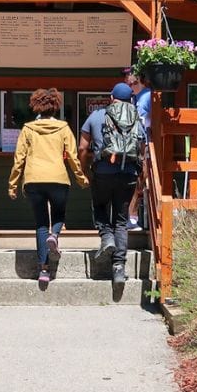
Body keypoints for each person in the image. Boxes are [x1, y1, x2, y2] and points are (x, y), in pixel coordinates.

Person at [7, 88, 88, 288]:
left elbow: (19, 159)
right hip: (58, 178)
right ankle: (55, 236)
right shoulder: (63, 128)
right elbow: (72, 156)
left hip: (33, 179)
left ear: (36, 107)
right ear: (55, 107)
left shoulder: (28, 128)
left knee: (41, 223)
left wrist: (12, 185)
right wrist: (81, 178)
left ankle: (43, 270)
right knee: (59, 216)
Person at [78, 82, 145, 285]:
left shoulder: (97, 116)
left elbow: (82, 148)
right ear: (130, 99)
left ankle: (106, 237)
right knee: (121, 220)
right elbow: (141, 150)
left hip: (103, 172)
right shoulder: (136, 118)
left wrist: (84, 170)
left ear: (111, 98)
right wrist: (140, 177)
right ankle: (118, 268)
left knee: (99, 206)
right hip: (128, 174)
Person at [127, 72, 151, 230]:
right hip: (137, 145)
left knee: (140, 182)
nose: (130, 87)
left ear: (140, 82)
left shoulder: (145, 97)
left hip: (144, 146)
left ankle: (134, 217)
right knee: (137, 182)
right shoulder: (136, 97)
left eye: (132, 84)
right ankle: (133, 217)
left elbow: (142, 123)